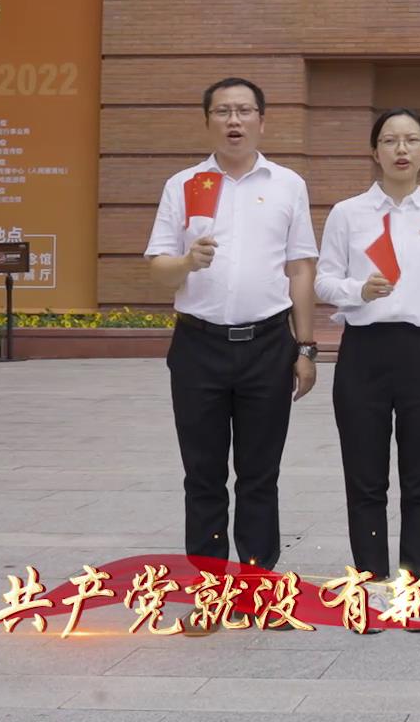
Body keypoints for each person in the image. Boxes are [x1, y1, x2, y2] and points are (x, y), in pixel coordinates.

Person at [144, 77, 318, 574]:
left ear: (262, 120)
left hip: (268, 344)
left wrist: (306, 347)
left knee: (260, 474)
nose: (234, 120)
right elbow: (159, 268)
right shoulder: (183, 185)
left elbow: (301, 268)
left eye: (244, 111)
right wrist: (186, 262)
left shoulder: (287, 185)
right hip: (198, 345)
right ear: (208, 122)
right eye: (223, 111)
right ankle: (210, 584)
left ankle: (258, 584)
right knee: (202, 474)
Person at [314, 108, 420, 624]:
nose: (401, 149)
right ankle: (372, 584)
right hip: (364, 352)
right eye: (389, 140)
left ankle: (415, 585)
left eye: (411, 140)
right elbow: (323, 281)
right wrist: (358, 290)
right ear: (374, 151)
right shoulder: (348, 214)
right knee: (365, 480)